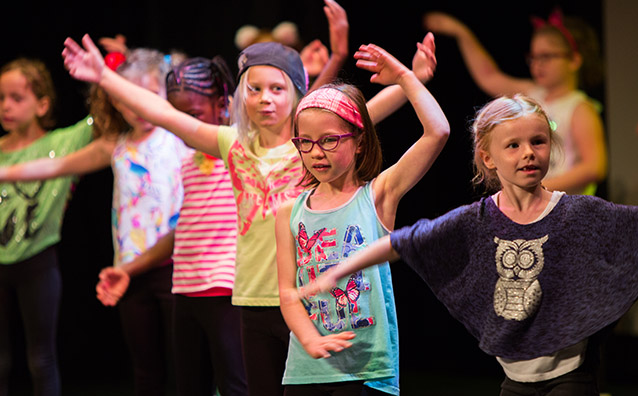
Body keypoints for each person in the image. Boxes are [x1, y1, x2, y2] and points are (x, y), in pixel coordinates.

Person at [62, 25, 437, 394]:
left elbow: (363, 113)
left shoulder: (307, 144)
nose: (264, 99)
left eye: (276, 89)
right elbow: (165, 115)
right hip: (250, 297)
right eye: (254, 89)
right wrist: (104, 79)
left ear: (297, 93)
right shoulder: (232, 144)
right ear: (240, 95)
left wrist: (412, 79)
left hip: (306, 300)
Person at [302, 94, 638, 395]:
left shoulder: (579, 213)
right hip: (515, 380)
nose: (528, 153)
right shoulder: (477, 221)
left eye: (538, 142)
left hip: (571, 376)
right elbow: (404, 241)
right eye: (513, 145)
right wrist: (340, 270)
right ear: (488, 158)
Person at [0, 49, 188, 396]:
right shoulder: (114, 146)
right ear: (117, 102)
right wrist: (6, 171)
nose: (140, 108)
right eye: (129, 99)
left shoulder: (180, 137)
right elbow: (55, 166)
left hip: (178, 267)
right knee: (146, 370)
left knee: (187, 366)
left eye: (149, 97)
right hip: (128, 271)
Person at [275, 41, 449, 396]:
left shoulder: (378, 195)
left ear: (359, 143)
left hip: (366, 370)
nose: (315, 152)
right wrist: (310, 340)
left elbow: (438, 132)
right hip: (306, 372)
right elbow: (288, 292)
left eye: (329, 140)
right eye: (304, 142)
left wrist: (404, 76)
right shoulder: (288, 212)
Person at [95, 55, 248, 396]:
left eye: (191, 117)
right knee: (185, 384)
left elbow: (289, 115)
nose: (183, 125)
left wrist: (104, 75)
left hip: (221, 288)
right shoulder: (189, 161)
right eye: (179, 116)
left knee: (234, 383)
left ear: (223, 105)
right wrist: (130, 268)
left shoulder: (237, 147)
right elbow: (184, 229)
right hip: (184, 287)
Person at [424, 7, 607, 195]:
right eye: (533, 57)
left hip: (565, 209)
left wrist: (541, 188)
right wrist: (461, 32)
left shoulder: (579, 108)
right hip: (533, 205)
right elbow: (488, 76)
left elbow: (594, 167)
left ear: (574, 60)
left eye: (546, 56)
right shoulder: (531, 93)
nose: (537, 64)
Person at [0, 58, 94, 396]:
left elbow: (103, 119)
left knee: (41, 358)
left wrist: (110, 72)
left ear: (42, 104)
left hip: (38, 262)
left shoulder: (66, 142)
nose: (6, 106)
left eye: (16, 97)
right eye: (1, 98)